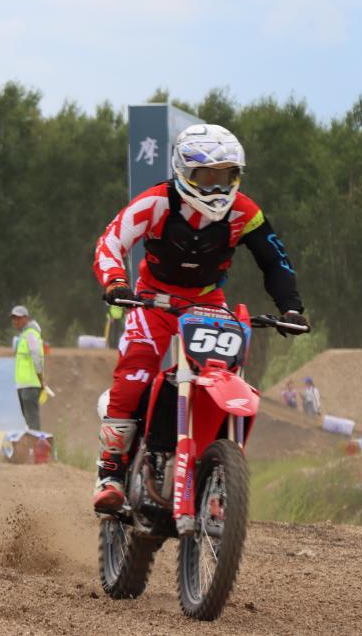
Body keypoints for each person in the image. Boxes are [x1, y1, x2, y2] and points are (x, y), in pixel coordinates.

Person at [92, 124, 308, 512]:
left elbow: (275, 259)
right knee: (136, 373)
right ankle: (111, 472)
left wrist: (290, 307)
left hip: (208, 302)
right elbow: (111, 240)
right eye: (207, 177)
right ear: (184, 171)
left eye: (227, 176)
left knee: (223, 375)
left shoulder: (245, 211)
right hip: (152, 300)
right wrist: (116, 282)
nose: (217, 187)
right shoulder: (156, 202)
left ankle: (215, 467)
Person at [11, 305, 45, 431]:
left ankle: (37, 442)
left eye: (18, 318)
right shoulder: (23, 335)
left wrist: (41, 380)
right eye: (14, 318)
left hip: (31, 384)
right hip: (23, 385)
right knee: (29, 421)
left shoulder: (31, 334)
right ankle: (34, 441)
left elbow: (37, 357)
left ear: (26, 318)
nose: (15, 321)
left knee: (32, 421)